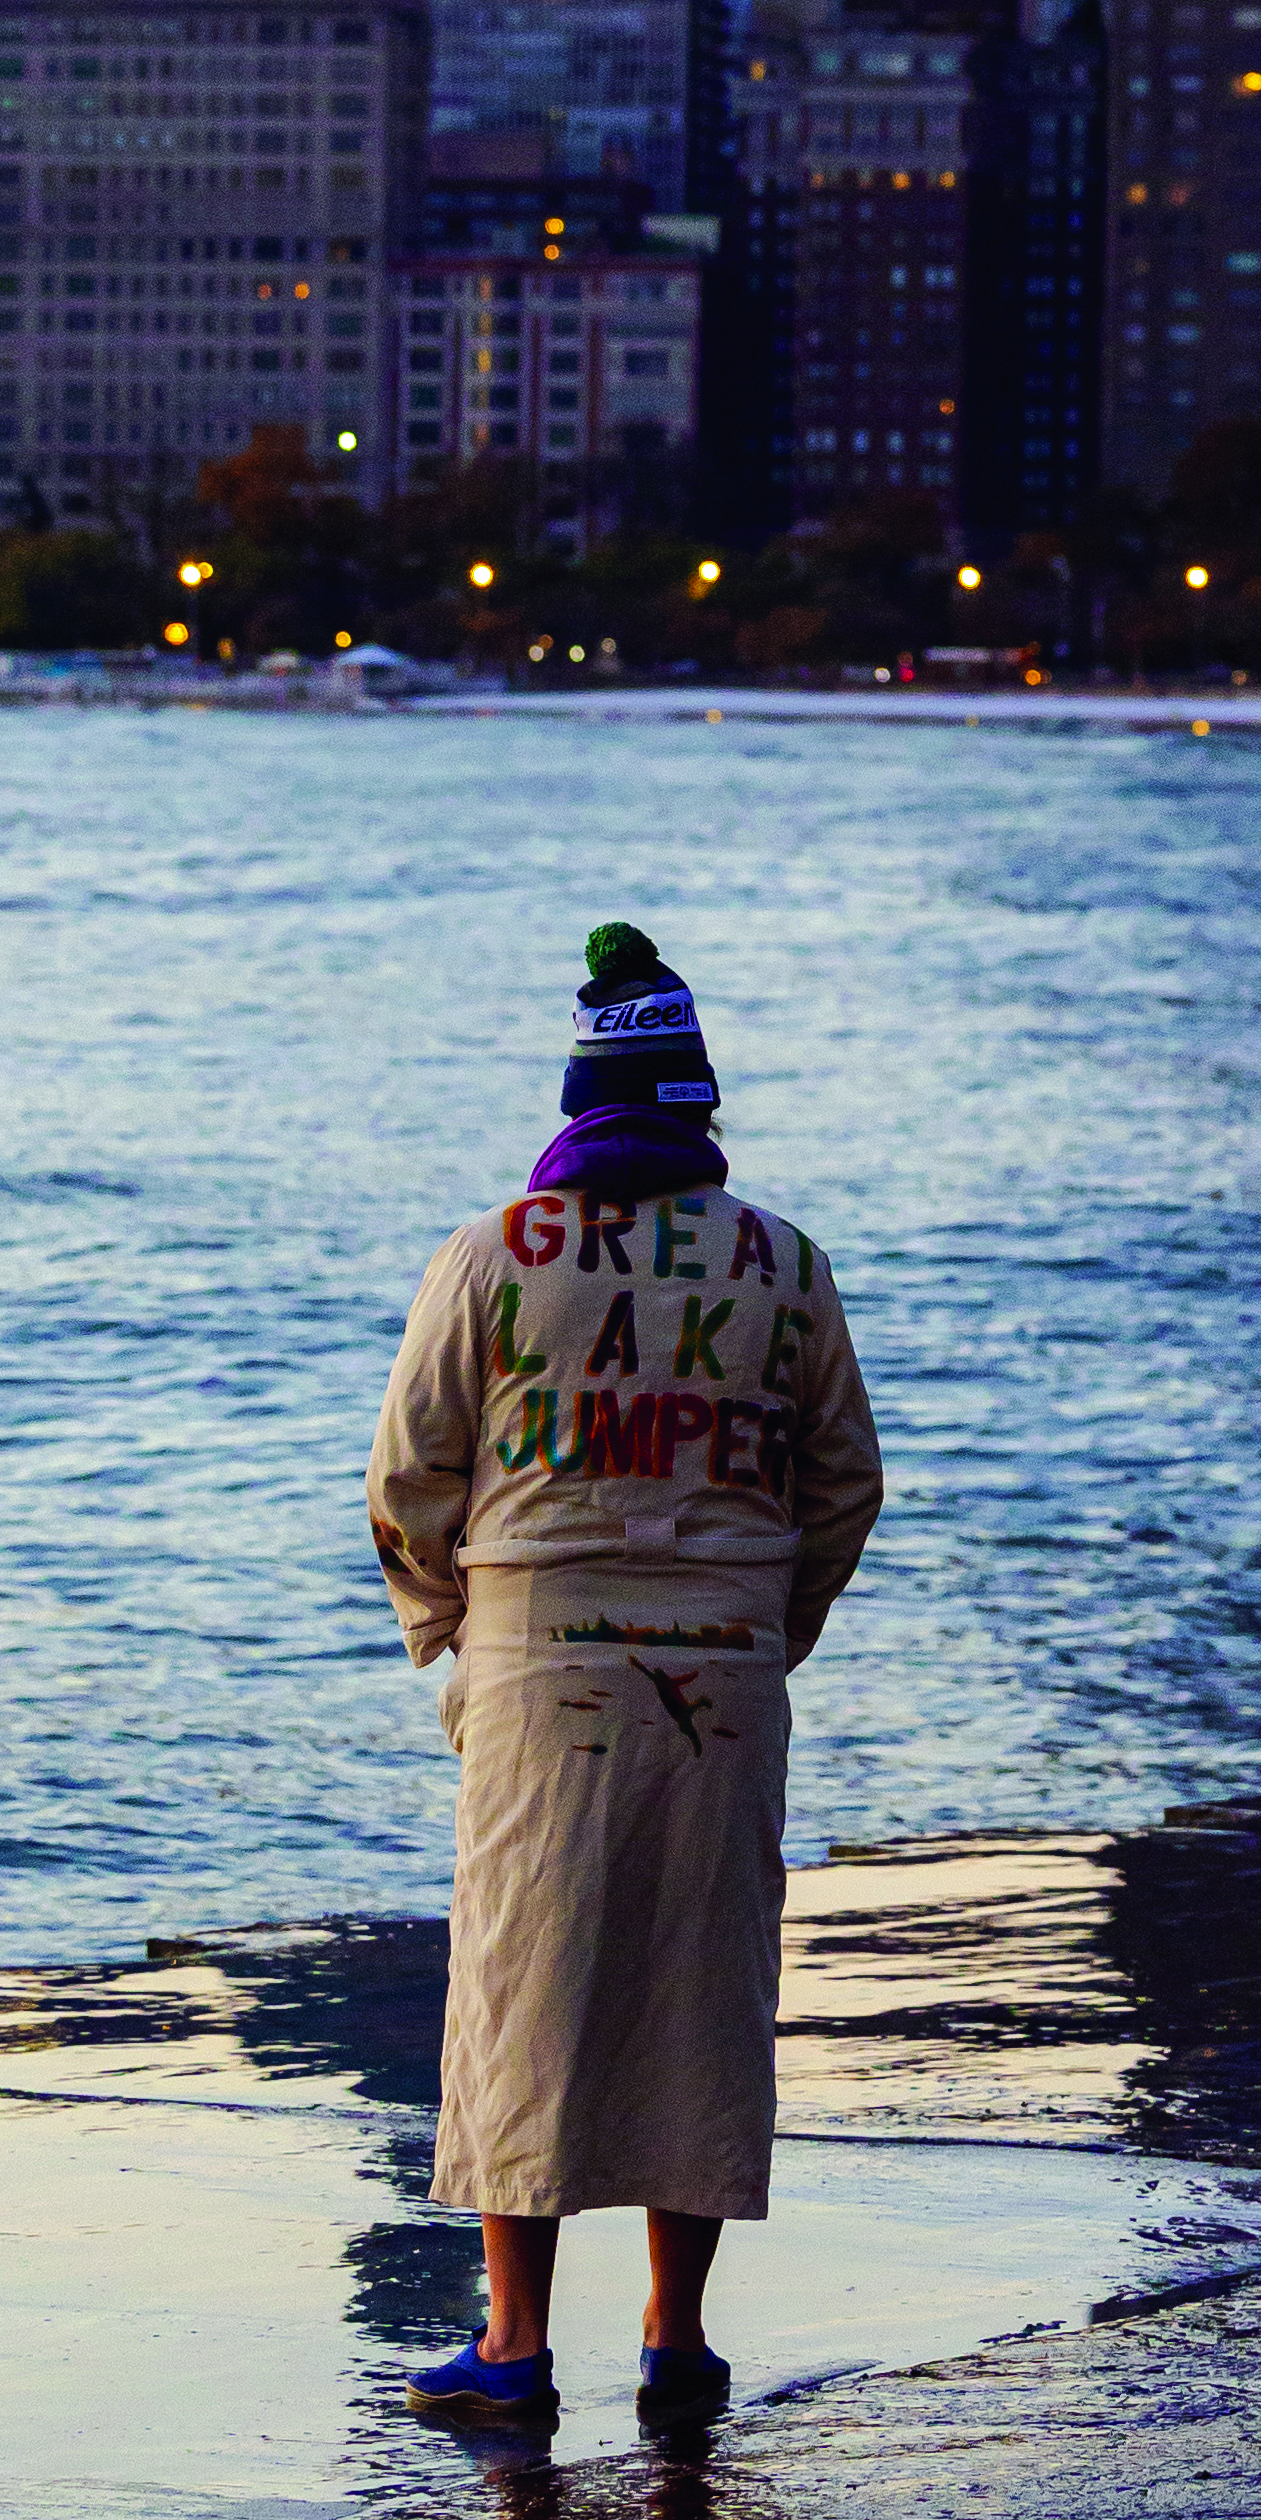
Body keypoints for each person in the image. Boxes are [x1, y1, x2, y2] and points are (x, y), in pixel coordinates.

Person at [366, 918, 884, 2430]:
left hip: (542, 1663)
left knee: (523, 1990)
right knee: (697, 1991)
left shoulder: (492, 1255)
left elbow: (408, 1478)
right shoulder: (784, 1262)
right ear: (699, 1102)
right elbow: (845, 1485)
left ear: (579, 1099)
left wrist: (451, 1631)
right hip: (725, 1667)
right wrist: (766, 1624)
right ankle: (677, 2340)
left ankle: (514, 2345)